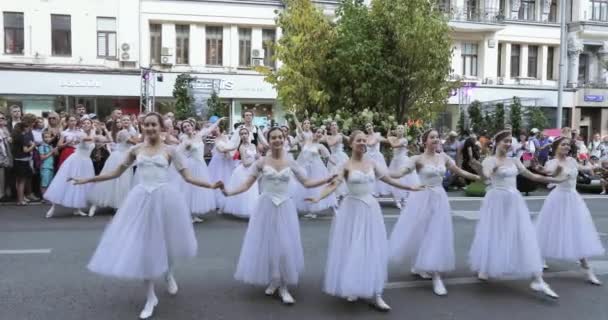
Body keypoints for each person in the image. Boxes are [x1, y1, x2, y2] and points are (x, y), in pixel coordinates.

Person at [70, 112, 223, 319]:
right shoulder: (135, 149)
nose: (150, 128)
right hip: (141, 199)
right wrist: (88, 179)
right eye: (146, 125)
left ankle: (168, 272)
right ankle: (151, 296)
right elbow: (115, 172)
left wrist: (211, 185)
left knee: (166, 242)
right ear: (142, 127)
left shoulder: (171, 150)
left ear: (162, 128)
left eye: (153, 124)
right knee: (144, 247)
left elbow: (188, 177)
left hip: (165, 199)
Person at [307, 130, 422, 311]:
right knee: (353, 247)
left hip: (370, 210)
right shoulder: (345, 166)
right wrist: (318, 197)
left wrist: (410, 187)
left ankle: (376, 293)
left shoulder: (373, 163)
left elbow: (389, 180)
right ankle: (352, 284)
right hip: (351, 210)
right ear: (351, 144)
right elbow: (333, 185)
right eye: (358, 141)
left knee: (372, 247)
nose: (362, 143)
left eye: (364, 141)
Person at [221, 127, 336, 305]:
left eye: (280, 137)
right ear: (268, 140)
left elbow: (306, 182)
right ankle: (274, 279)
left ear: (284, 139)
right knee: (269, 245)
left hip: (285, 207)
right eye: (273, 137)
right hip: (265, 207)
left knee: (284, 246)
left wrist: (326, 179)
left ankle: (283, 286)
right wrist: (228, 192)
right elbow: (246, 185)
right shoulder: (260, 162)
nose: (277, 140)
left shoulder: (290, 161)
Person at [468, 129, 565, 299]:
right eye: (505, 140)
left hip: (514, 200)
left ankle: (537, 279)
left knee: (522, 234)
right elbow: (485, 178)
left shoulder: (514, 160)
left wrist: (554, 180)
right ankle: (485, 266)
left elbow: (532, 176)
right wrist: (480, 168)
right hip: (496, 200)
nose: (508, 143)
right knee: (492, 232)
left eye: (510, 141)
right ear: (497, 142)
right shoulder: (490, 160)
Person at [389, 128, 481, 296]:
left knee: (437, 233)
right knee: (421, 232)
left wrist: (477, 176)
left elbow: (459, 171)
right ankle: (420, 265)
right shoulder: (417, 158)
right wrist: (383, 173)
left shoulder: (444, 157)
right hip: (421, 198)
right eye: (432, 137)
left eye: (438, 137)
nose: (436, 139)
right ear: (425, 141)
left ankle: (436, 275)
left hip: (439, 197)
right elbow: (400, 172)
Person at [535, 136, 605, 285]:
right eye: (563, 144)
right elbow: (550, 175)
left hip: (573, 199)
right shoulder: (551, 163)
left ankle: (587, 269)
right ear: (556, 147)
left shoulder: (572, 161)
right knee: (549, 229)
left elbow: (583, 168)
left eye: (568, 145)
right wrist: (542, 170)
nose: (567, 147)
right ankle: (539, 260)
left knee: (577, 232)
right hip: (558, 199)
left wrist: (596, 166)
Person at [44, 118, 109, 218]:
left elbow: (109, 140)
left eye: (88, 123)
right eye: (84, 123)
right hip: (76, 160)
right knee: (64, 182)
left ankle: (77, 209)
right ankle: (52, 207)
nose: (86, 124)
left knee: (82, 185)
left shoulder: (93, 134)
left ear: (91, 124)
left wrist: (105, 131)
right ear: (82, 125)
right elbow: (90, 139)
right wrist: (94, 131)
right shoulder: (80, 134)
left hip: (86, 162)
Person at [88, 116, 137, 215]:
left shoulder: (131, 132)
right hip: (120, 157)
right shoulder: (123, 132)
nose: (126, 121)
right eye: (124, 120)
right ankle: (97, 204)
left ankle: (119, 204)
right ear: (121, 123)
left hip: (124, 157)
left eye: (128, 120)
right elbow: (134, 142)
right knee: (115, 180)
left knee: (122, 181)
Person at [294, 127, 335, 218]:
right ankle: (308, 207)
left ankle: (313, 209)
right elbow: (302, 155)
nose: (319, 134)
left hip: (316, 168)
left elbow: (328, 157)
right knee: (303, 187)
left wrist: (336, 164)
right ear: (314, 133)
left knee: (315, 188)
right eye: (317, 132)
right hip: (305, 168)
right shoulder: (306, 142)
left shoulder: (320, 146)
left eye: (320, 133)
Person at [223, 128, 259, 218]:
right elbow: (246, 163)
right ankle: (245, 210)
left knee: (252, 190)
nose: (244, 135)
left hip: (253, 169)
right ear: (240, 136)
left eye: (245, 133)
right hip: (244, 171)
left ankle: (253, 210)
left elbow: (257, 156)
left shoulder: (254, 145)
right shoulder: (241, 147)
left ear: (248, 134)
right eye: (242, 134)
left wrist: (258, 158)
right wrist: (255, 159)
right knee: (246, 190)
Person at [387, 125, 419, 208]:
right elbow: (388, 136)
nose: (400, 130)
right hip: (395, 162)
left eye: (402, 128)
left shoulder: (404, 140)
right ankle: (397, 199)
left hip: (403, 161)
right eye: (398, 128)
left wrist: (390, 138)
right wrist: (389, 132)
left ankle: (404, 199)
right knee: (395, 181)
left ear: (404, 131)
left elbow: (394, 145)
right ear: (396, 130)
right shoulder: (394, 139)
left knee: (405, 180)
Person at [11, 122, 35, 205]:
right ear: (24, 128)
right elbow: (25, 150)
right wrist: (33, 145)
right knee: (22, 181)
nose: (29, 129)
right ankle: (21, 200)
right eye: (27, 127)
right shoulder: (23, 137)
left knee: (18, 181)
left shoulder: (15, 137)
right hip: (23, 161)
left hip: (16, 160)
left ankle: (19, 198)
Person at [364, 122, 391, 197]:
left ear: (372, 126)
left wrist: (388, 133)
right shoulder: (365, 137)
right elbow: (368, 144)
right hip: (368, 157)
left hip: (377, 156)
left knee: (379, 174)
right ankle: (370, 191)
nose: (369, 127)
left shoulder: (377, 135)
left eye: (370, 126)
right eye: (367, 127)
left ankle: (377, 191)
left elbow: (386, 141)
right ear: (366, 129)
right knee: (369, 174)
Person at [37, 132, 57, 198]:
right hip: (45, 167)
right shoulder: (42, 147)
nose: (47, 139)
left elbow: (56, 154)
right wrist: (51, 152)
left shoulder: (50, 146)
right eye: (45, 137)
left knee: (49, 182)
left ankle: (47, 196)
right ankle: (44, 197)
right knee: (44, 183)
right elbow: (42, 157)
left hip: (50, 166)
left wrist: (55, 150)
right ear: (42, 138)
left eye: (48, 137)